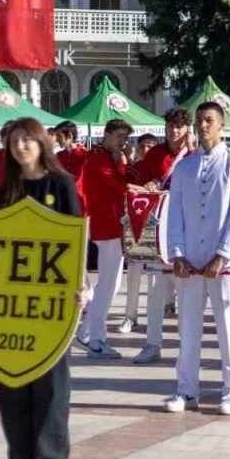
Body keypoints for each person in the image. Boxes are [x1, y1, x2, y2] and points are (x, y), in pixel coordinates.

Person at [0, 118, 86, 459]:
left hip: (52, 301)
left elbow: (75, 236)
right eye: (15, 140)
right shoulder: (7, 187)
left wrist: (81, 287)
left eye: (28, 139)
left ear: (42, 142)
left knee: (50, 383)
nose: (21, 146)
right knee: (11, 378)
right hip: (13, 301)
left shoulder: (61, 184)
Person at [163, 102, 230, 415]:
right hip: (190, 260)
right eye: (199, 120)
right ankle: (186, 389)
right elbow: (174, 214)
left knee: (229, 327)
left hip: (223, 261)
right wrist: (176, 253)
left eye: (209, 120)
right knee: (188, 327)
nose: (203, 125)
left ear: (221, 125)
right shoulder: (184, 167)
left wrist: (223, 255)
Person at [130, 108, 191, 364]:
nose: (173, 131)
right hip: (158, 229)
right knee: (154, 290)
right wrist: (148, 186)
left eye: (178, 126)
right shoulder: (155, 153)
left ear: (187, 128)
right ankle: (152, 344)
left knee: (186, 294)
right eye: (170, 126)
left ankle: (187, 349)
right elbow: (138, 188)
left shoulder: (195, 154)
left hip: (186, 231)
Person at [75, 119, 134, 358]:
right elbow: (122, 186)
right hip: (107, 226)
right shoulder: (98, 159)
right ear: (106, 134)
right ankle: (94, 338)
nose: (122, 142)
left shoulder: (107, 157)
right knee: (109, 283)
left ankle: (89, 334)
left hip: (112, 225)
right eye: (119, 136)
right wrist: (126, 162)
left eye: (125, 138)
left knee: (110, 283)